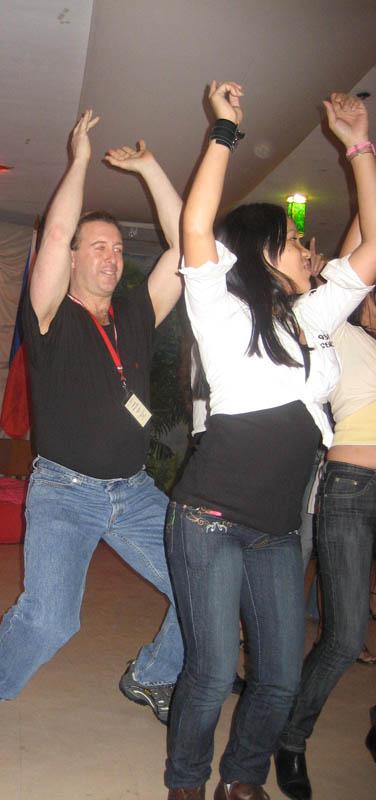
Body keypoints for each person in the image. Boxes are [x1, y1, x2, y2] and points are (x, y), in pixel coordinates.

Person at [164, 84, 376, 800]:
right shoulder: (221, 310)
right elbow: (197, 224)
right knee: (211, 673)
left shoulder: (313, 318)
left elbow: (373, 249)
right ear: (261, 252)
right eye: (294, 241)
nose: (310, 251)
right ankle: (186, 784)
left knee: (280, 677)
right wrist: (225, 129)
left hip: (280, 529)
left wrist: (359, 146)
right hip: (210, 518)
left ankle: (242, 782)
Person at [0, 110, 185, 746]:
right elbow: (54, 233)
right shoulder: (50, 313)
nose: (111, 256)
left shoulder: (137, 312)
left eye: (117, 247)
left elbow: (186, 246)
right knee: (52, 618)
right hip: (65, 491)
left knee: (207, 587)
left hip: (134, 490)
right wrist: (79, 160)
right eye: (97, 246)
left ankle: (152, 675)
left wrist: (151, 170)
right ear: (74, 258)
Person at [276, 217, 376, 800]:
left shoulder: (363, 336)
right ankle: (291, 738)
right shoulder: (324, 321)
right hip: (352, 487)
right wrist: (364, 165)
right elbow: (366, 238)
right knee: (343, 636)